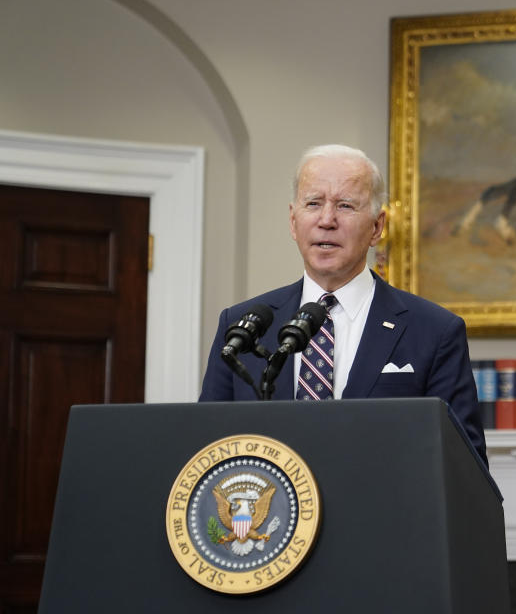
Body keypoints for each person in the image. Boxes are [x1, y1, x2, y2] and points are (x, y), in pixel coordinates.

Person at [199, 144, 487, 466]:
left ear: (377, 227)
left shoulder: (435, 331)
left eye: (345, 205)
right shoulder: (241, 326)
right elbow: (208, 449)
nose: (326, 220)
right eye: (313, 203)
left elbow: (465, 465)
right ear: (294, 222)